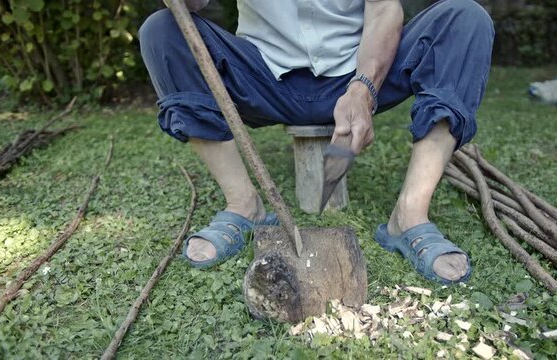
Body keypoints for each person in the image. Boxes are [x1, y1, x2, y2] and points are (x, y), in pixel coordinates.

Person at [139, 0, 494, 284]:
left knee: (465, 19)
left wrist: (363, 89)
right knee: (161, 29)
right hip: (261, 78)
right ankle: (244, 205)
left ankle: (409, 215)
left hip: (357, 74)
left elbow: (384, 9)